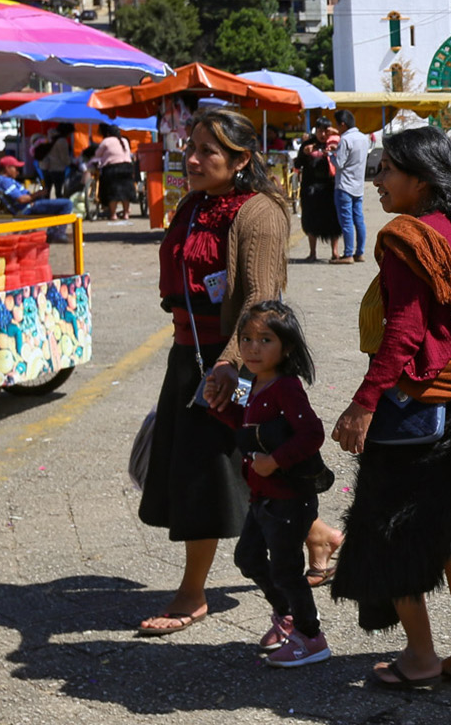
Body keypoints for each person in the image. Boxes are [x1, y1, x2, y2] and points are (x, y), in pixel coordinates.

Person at [330, 126, 451, 689]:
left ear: (421, 180)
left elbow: (405, 334)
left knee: (391, 530)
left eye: (388, 169)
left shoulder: (407, 239)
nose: (378, 180)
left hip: (423, 414)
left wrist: (364, 404)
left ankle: (419, 656)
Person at [136, 108, 343, 634]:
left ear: (242, 159)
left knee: (205, 472)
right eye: (191, 147)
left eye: (209, 150)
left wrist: (231, 366)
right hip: (191, 359)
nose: (193, 158)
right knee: (234, 466)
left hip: (237, 362)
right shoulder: (192, 205)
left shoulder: (259, 213)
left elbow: (261, 300)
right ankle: (317, 533)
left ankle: (192, 593)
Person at [210, 300, 332, 668]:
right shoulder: (251, 382)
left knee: (286, 570)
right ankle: (287, 615)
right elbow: (245, 425)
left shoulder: (286, 388)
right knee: (247, 558)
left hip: (289, 499)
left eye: (265, 340)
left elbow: (312, 433)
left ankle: (311, 638)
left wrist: (275, 461)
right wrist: (219, 405)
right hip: (263, 498)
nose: (252, 348)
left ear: (287, 347)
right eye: (246, 338)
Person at [0, 156, 75, 237]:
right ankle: (58, 233)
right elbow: (21, 199)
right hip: (28, 208)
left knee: (56, 204)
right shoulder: (4, 182)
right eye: (16, 169)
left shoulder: (2, 180)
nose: (18, 172)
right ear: (7, 168)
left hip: (29, 205)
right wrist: (38, 194)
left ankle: (53, 231)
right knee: (67, 204)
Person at [294, 120, 341, 263]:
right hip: (311, 189)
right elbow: (297, 164)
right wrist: (303, 153)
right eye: (320, 131)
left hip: (330, 187)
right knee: (310, 221)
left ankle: (335, 252)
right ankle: (312, 252)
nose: (323, 134)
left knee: (333, 221)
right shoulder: (307, 145)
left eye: (326, 131)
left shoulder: (336, 143)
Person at [330, 109, 370, 264]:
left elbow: (339, 163)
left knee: (346, 221)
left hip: (344, 185)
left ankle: (348, 254)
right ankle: (359, 252)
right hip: (358, 184)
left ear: (342, 124)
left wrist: (330, 155)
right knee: (359, 219)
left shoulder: (345, 139)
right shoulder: (363, 137)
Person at [89, 124, 137, 220]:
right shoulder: (124, 141)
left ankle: (113, 214)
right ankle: (126, 214)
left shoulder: (106, 141)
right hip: (127, 168)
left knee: (112, 193)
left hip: (112, 169)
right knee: (125, 192)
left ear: (107, 133)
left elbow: (97, 154)